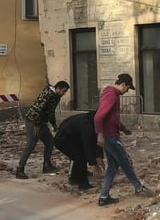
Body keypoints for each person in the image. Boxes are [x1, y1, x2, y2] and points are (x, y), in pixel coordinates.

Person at [95, 73, 152, 206]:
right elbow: (99, 117)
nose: (127, 92)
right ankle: (138, 188)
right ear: (123, 84)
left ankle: (104, 197)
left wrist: (123, 128)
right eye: (127, 88)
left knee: (113, 166)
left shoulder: (112, 94)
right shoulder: (111, 95)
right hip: (110, 137)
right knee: (125, 162)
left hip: (110, 134)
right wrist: (100, 134)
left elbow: (112, 118)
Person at [15, 80, 70, 179]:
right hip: (33, 121)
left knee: (49, 141)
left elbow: (50, 111)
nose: (64, 93)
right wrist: (37, 124)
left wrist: (53, 124)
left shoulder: (56, 96)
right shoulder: (47, 94)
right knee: (31, 144)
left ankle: (47, 165)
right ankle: (20, 169)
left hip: (42, 122)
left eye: (65, 92)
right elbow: (38, 108)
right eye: (63, 91)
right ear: (58, 88)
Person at [53, 111, 104, 190]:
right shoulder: (87, 125)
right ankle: (83, 184)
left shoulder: (90, 121)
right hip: (62, 140)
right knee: (80, 157)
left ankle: (75, 177)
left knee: (80, 156)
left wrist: (99, 156)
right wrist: (93, 164)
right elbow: (87, 145)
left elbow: (95, 141)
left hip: (72, 138)